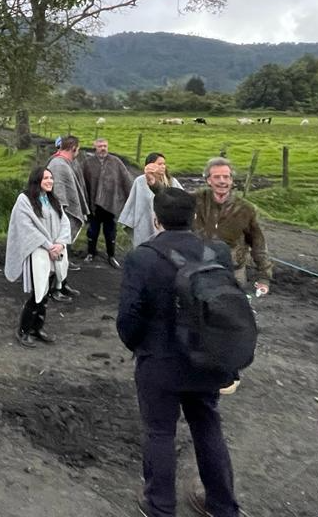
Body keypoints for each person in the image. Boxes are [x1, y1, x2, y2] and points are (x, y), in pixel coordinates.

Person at [117, 188, 241, 517]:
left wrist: (141, 348)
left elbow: (127, 320)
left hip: (159, 362)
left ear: (156, 220)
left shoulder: (142, 258)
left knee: (159, 432)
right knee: (207, 426)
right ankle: (223, 505)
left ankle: (160, 507)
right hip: (207, 358)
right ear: (194, 217)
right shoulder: (217, 252)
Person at [4, 167, 71, 347]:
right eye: (46, 178)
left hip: (53, 252)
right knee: (37, 293)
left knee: (46, 292)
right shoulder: (24, 200)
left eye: (51, 178)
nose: (50, 181)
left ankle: (37, 328)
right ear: (37, 180)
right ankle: (24, 330)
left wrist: (61, 243)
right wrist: (48, 246)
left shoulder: (51, 200)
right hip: (37, 253)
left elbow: (64, 222)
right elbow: (27, 228)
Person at [194, 156, 272, 295]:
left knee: (233, 312)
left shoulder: (246, 209)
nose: (222, 181)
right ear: (208, 180)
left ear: (231, 180)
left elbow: (258, 244)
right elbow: (168, 202)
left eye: (226, 177)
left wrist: (264, 277)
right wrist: (155, 184)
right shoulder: (195, 201)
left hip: (233, 272)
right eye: (217, 177)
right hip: (200, 269)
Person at [81, 138, 133, 268]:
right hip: (93, 205)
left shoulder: (116, 162)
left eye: (105, 146)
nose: (103, 148)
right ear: (95, 148)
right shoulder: (88, 163)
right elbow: (82, 183)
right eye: (100, 146)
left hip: (111, 204)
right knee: (93, 231)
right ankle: (91, 253)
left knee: (110, 232)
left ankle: (111, 256)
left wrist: (131, 198)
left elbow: (126, 180)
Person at [44, 136, 84, 297]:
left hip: (61, 217)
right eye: (78, 149)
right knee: (56, 255)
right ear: (73, 148)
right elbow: (59, 196)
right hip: (57, 217)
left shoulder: (62, 163)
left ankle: (62, 285)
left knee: (63, 256)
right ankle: (53, 289)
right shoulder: (58, 165)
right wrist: (61, 219)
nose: (78, 152)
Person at [119, 152, 183, 247]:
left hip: (166, 225)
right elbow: (133, 204)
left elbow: (183, 200)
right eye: (159, 164)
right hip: (145, 224)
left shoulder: (172, 182)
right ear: (151, 165)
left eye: (164, 164)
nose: (163, 166)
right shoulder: (140, 181)